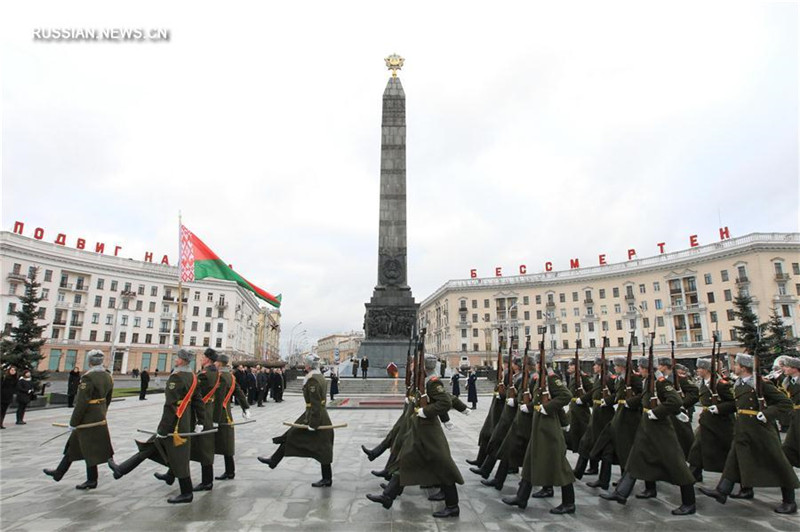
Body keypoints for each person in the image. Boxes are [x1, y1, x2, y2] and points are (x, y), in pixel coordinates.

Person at [366, 354, 464, 518]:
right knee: (406, 460)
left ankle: (453, 506)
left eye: (414, 363)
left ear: (422, 366)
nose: (411, 365)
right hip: (420, 431)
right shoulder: (423, 381)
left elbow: (445, 403)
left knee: (444, 467)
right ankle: (388, 497)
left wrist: (426, 411)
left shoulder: (432, 382)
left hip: (431, 433)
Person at [699, 353, 798, 514]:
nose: (733, 368)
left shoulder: (760, 383)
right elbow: (736, 406)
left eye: (736, 365)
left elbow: (784, 402)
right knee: (735, 460)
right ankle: (723, 491)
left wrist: (767, 414)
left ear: (743, 368)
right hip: (743, 428)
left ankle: (789, 501)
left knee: (778, 463)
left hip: (760, 430)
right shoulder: (738, 384)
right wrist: (719, 408)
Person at [600, 354, 697, 515]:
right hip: (647, 427)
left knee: (677, 466)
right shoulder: (647, 381)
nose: (638, 370)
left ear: (646, 369)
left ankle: (689, 502)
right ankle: (622, 493)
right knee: (636, 459)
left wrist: (657, 413)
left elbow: (676, 401)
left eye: (640, 367)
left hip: (661, 430)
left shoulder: (660, 383)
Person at [107, 348, 204, 504]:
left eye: (177, 358)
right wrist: (201, 421)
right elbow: (198, 401)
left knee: (179, 456)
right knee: (150, 446)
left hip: (175, 423)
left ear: (183, 360)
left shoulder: (176, 378)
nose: (175, 360)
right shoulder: (193, 376)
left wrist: (164, 430)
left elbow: (170, 406)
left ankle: (187, 493)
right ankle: (121, 469)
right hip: (184, 419)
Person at [503, 350, 576, 514]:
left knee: (560, 465)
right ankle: (521, 497)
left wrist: (546, 408)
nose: (535, 365)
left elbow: (566, 395)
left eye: (537, 362)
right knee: (529, 462)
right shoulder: (540, 378)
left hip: (548, 429)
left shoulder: (551, 378)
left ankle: (569, 503)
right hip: (539, 427)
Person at [259, 354, 335, 487]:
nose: (304, 365)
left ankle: (327, 479)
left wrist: (313, 423)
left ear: (309, 365)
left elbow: (316, 402)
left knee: (321, 446)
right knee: (296, 436)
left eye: (306, 363)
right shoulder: (318, 376)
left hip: (316, 416)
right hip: (313, 414)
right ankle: (274, 460)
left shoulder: (313, 380)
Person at [43, 350, 114, 490]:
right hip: (98, 416)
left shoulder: (88, 377)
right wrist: (102, 412)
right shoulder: (108, 376)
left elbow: (82, 402)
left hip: (87, 418)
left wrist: (73, 422)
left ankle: (92, 480)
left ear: (89, 362)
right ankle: (59, 472)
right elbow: (108, 398)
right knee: (74, 445)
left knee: (88, 448)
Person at [214, 353, 251, 481]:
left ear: (219, 363)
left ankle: (227, 472)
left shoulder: (221, 377)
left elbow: (219, 399)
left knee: (208, 444)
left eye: (216, 362)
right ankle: (230, 471)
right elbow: (239, 393)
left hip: (220, 414)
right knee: (227, 444)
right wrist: (245, 408)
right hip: (227, 414)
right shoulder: (231, 377)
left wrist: (214, 419)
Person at [189, 348, 221, 491]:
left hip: (201, 413)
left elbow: (193, 390)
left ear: (207, 359)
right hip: (209, 410)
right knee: (197, 445)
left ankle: (207, 481)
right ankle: (171, 474)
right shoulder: (216, 374)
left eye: (203, 357)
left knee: (204, 447)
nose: (201, 359)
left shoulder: (204, 375)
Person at [782, 356, 800, 468]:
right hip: (795, 417)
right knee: (788, 446)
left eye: (787, 366)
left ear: (795, 368)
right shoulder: (787, 382)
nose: (785, 369)